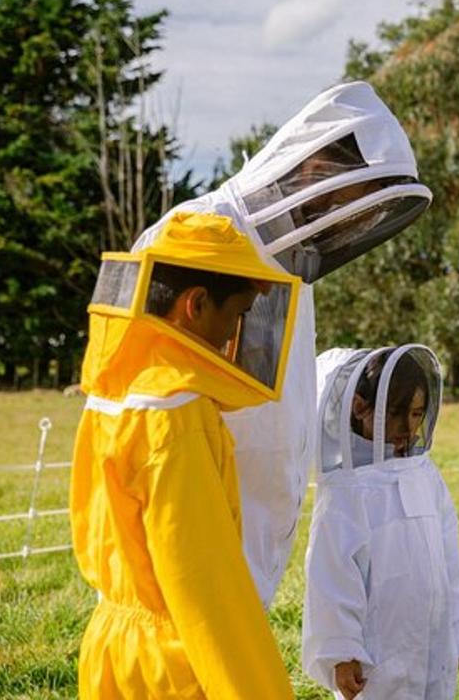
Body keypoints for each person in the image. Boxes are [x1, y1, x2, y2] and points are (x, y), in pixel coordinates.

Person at [133, 81, 432, 606]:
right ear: (318, 173)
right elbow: (149, 399)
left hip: (251, 534)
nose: (357, 222)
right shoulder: (196, 237)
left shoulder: (290, 255)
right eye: (355, 203)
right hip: (192, 527)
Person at [70, 211, 301, 698]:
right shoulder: (175, 412)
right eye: (236, 315)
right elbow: (205, 588)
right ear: (195, 305)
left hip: (112, 648)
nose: (236, 336)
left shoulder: (118, 389)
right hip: (174, 665)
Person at [303, 345, 459, 700]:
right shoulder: (346, 491)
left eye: (416, 414)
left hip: (432, 642)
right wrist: (341, 652)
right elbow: (331, 577)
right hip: (376, 656)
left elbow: (450, 560)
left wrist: (458, 633)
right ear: (360, 407)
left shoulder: (424, 475)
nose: (408, 428)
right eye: (397, 413)